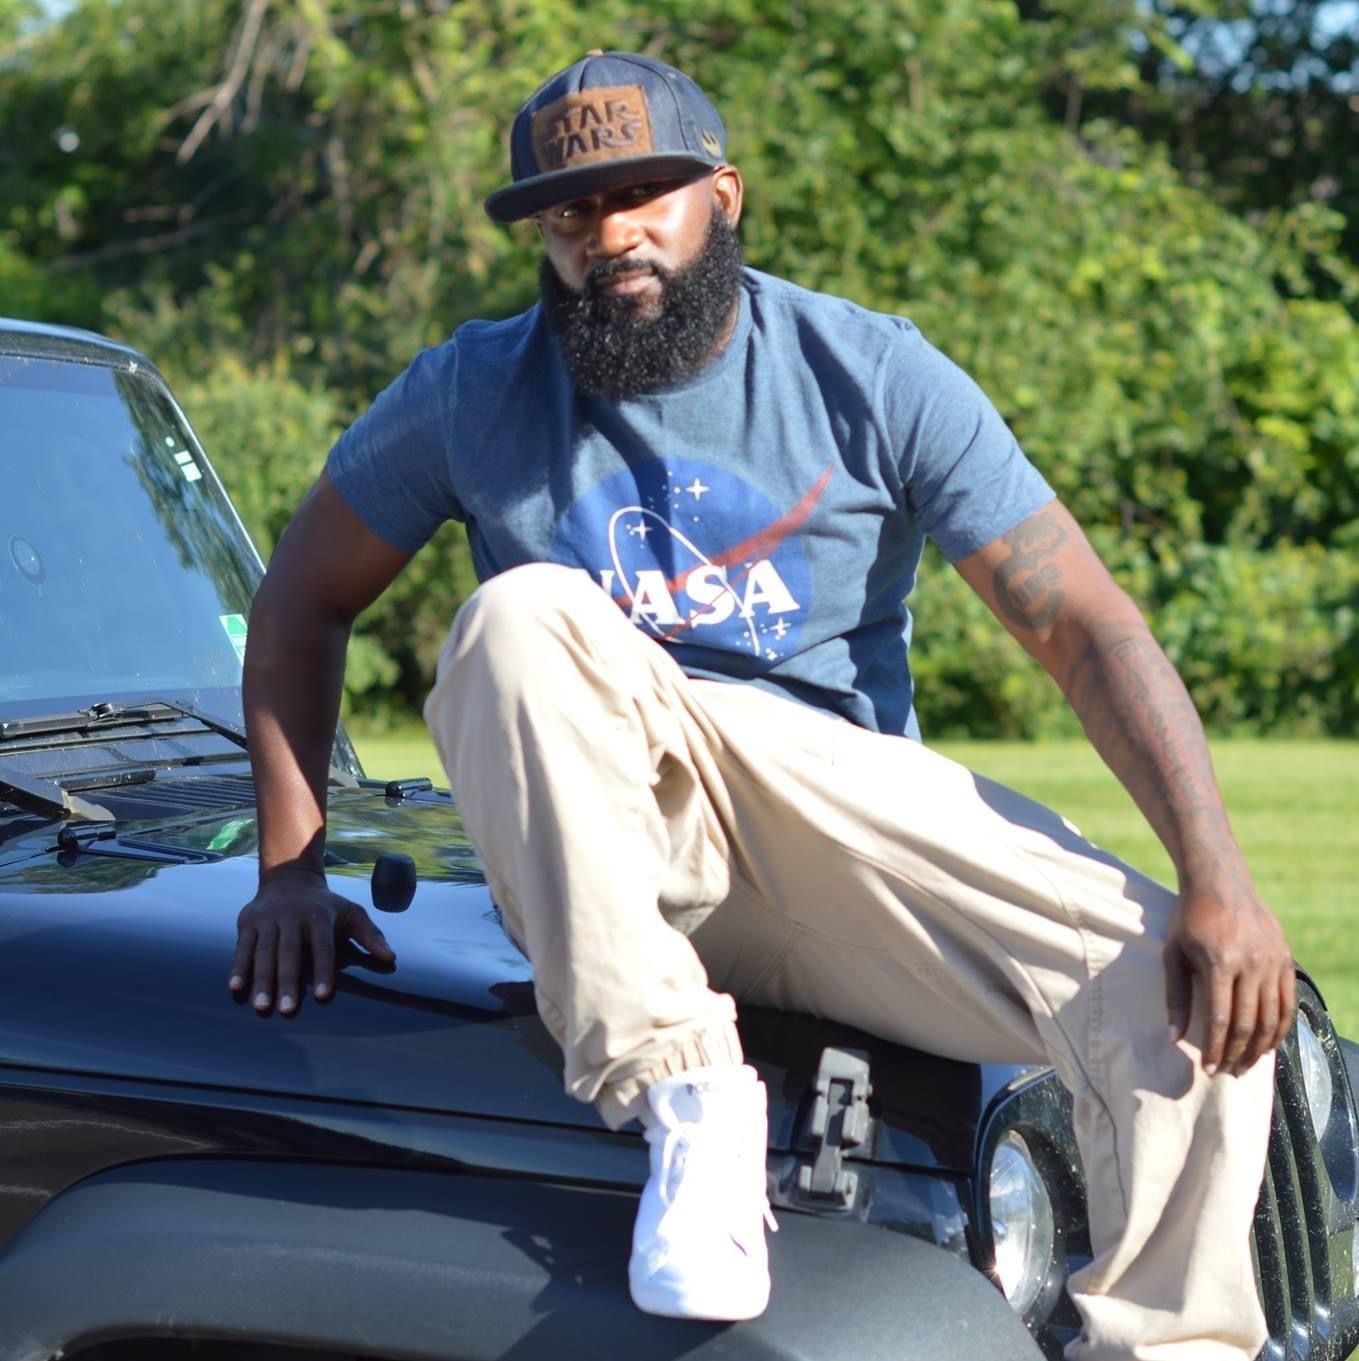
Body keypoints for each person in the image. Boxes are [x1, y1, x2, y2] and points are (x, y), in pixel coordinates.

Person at [229, 48, 1295, 1359]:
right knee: (516, 619)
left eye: (644, 196)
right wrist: (291, 866)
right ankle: (686, 1101)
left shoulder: (871, 372)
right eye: (570, 211)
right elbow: (297, 599)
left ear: (723, 196)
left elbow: (1084, 626)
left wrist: (1215, 871)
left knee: (1188, 1000)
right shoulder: (472, 390)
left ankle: (1174, 1345)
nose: (610, 235)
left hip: (837, 822)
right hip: (614, 847)